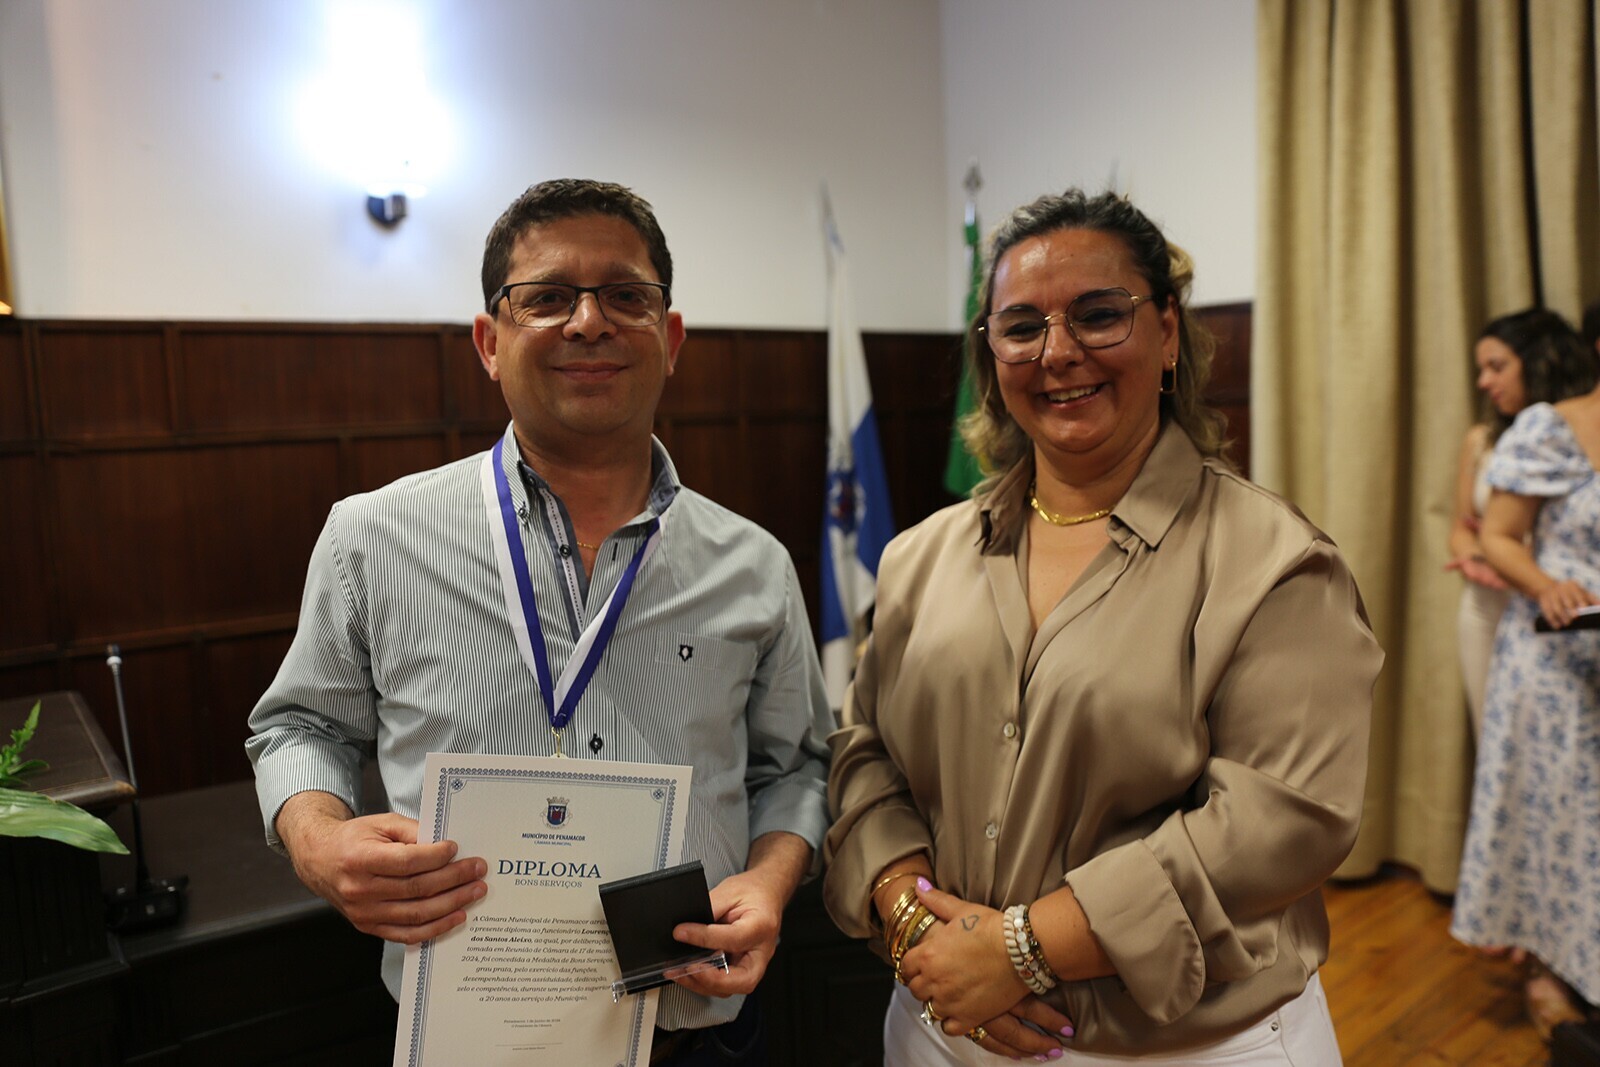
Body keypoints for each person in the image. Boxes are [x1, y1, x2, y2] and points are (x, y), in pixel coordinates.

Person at [247, 179, 834, 1064]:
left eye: (626, 296)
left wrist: (770, 879)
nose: (589, 322)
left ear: (670, 339)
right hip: (467, 1034)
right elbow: (299, 725)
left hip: (694, 1033)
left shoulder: (753, 564)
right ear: (491, 342)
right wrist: (317, 838)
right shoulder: (373, 536)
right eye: (548, 297)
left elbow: (793, 768)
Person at [823, 189, 1381, 1064]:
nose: (1058, 352)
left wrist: (1020, 948)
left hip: (1181, 1045)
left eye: (1097, 314)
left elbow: (1282, 820)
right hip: (941, 1021)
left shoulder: (1275, 563)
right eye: (1022, 327)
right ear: (991, 356)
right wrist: (909, 914)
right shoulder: (918, 556)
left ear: (1167, 332)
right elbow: (865, 754)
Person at [1450, 308, 1600, 1042]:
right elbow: (1497, 535)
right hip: (1557, 658)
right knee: (1560, 816)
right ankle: (1549, 969)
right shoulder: (1548, 427)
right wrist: (1546, 585)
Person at [1445, 309, 1600, 739]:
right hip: (1497, 602)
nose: (1484, 382)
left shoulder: (1573, 427)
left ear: (1539, 362)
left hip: (1566, 608)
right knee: (1498, 731)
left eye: (1497, 367)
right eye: (1481, 369)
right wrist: (1479, 557)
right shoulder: (1483, 440)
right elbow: (1464, 527)